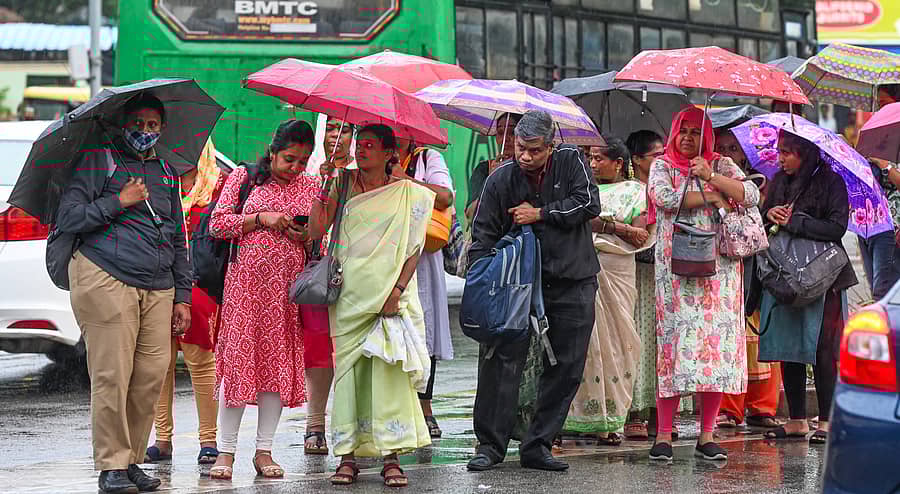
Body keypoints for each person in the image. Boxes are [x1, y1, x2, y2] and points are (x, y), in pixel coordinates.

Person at [57, 92, 192, 493]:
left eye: (153, 126)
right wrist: (119, 201)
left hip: (158, 284)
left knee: (150, 375)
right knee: (112, 375)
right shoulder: (99, 161)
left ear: (162, 130)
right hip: (106, 274)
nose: (145, 132)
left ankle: (131, 459)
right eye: (138, 123)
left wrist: (182, 293)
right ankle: (111, 465)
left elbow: (178, 234)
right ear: (123, 124)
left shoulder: (167, 172)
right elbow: (69, 217)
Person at [466, 110, 601, 472]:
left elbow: (589, 203)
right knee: (500, 361)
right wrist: (485, 282)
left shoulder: (573, 162)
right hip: (515, 286)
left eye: (534, 150)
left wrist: (540, 213)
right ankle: (489, 446)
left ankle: (538, 444)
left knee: (568, 365)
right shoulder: (499, 179)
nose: (524, 156)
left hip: (573, 279)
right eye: (519, 147)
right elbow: (482, 238)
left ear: (551, 147)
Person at [309, 124, 434, 488]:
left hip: (388, 297)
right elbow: (316, 231)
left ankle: (391, 458)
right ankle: (347, 457)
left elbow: (413, 248)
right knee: (348, 376)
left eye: (369, 146)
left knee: (387, 376)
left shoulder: (407, 193)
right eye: (357, 144)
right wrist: (324, 185)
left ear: (388, 153)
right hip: (348, 297)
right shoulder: (341, 183)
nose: (360, 150)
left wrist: (396, 291)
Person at [207, 119, 319, 480]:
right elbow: (218, 224)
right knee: (239, 368)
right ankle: (225, 453)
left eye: (303, 161)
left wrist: (307, 234)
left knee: (275, 370)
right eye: (289, 159)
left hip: (286, 295)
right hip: (245, 291)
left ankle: (264, 450)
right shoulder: (243, 178)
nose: (296, 168)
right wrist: (260, 218)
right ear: (272, 151)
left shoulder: (313, 185)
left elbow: (322, 239)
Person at [647, 107, 760, 462]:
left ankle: (707, 435)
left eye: (696, 132)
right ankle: (664, 435)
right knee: (674, 352)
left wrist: (711, 176)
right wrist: (710, 196)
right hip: (676, 275)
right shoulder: (662, 165)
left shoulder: (722, 164)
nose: (687, 138)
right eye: (683, 131)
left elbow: (751, 195)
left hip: (719, 276)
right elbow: (663, 199)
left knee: (713, 354)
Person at [758, 131, 856, 444]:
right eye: (779, 151)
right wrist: (768, 214)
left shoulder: (831, 183)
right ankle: (797, 420)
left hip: (823, 278)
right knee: (790, 346)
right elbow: (765, 224)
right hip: (785, 274)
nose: (781, 158)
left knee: (822, 348)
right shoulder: (778, 181)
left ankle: (826, 421)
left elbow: (836, 228)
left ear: (806, 153)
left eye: (787, 152)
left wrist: (794, 221)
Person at [560, 138, 647, 445]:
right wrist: (616, 227)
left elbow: (642, 235)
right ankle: (574, 417)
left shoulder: (636, 191)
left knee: (620, 340)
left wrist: (605, 226)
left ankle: (610, 421)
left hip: (619, 271)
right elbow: (582, 219)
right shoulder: (583, 189)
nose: (593, 164)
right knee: (583, 341)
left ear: (618, 163)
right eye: (591, 158)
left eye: (598, 159)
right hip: (584, 266)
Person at [146, 139, 223, 465]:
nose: (181, 153)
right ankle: (162, 440)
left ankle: (209, 440)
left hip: (201, 291)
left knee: (201, 367)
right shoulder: (159, 184)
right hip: (161, 285)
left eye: (189, 148)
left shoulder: (217, 188)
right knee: (158, 367)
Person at [713, 126, 782, 430]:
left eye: (733, 148)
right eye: (722, 148)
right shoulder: (711, 180)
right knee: (730, 337)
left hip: (761, 267)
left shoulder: (766, 184)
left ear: (744, 152)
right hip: (724, 267)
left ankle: (763, 406)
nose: (728, 154)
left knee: (761, 335)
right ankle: (729, 408)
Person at [393, 135, 456, 438]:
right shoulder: (373, 151)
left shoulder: (427, 159)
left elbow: (445, 197)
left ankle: (425, 407)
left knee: (424, 329)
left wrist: (403, 179)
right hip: (387, 252)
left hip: (422, 257)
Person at [622, 130, 665, 440]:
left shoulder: (665, 188)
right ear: (636, 159)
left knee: (659, 340)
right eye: (656, 155)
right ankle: (634, 409)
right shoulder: (627, 191)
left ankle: (657, 412)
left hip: (662, 273)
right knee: (635, 337)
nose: (662, 160)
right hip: (633, 271)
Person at [857, 84, 900, 301]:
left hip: (891, 226)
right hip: (869, 223)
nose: (880, 110)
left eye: (885, 104)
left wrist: (885, 165)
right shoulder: (877, 136)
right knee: (877, 288)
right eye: (878, 105)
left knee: (884, 290)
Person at [465, 113, 522, 221]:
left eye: (513, 133)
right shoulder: (484, 169)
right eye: (501, 133)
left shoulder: (530, 170)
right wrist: (491, 179)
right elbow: (470, 214)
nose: (506, 139)